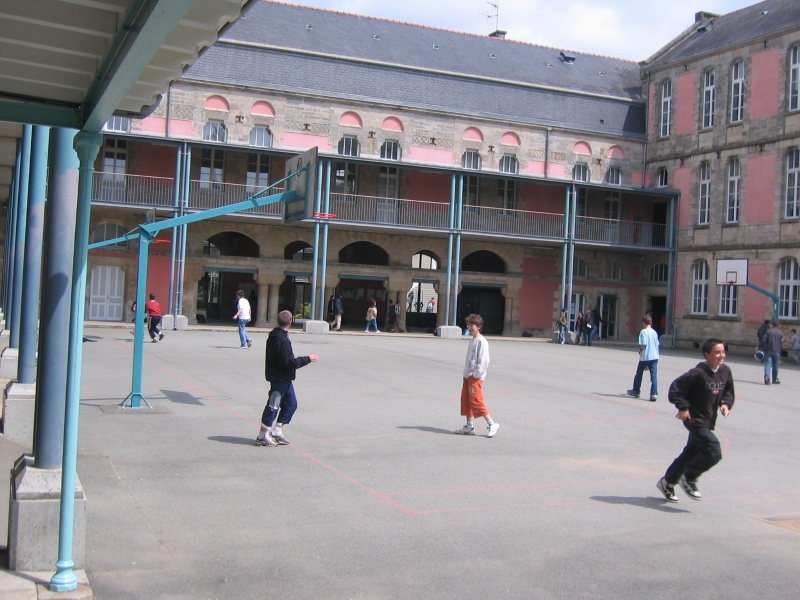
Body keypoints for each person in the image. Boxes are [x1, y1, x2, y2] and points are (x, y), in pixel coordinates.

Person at [656, 338, 734, 503]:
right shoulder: (698, 373)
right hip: (695, 419)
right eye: (717, 352)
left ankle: (667, 482)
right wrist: (683, 407)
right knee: (714, 451)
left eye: (723, 352)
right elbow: (676, 388)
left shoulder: (725, 371)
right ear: (707, 354)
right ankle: (689, 477)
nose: (721, 355)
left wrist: (725, 404)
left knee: (691, 453)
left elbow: (727, 391)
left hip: (708, 419)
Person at [256, 310, 319, 447]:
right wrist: (307, 359)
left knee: (291, 404)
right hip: (279, 378)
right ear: (291, 322)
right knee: (273, 405)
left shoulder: (276, 335)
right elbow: (289, 363)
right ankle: (262, 435)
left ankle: (277, 431)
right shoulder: (282, 340)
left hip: (284, 378)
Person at [454, 314, 499, 438]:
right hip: (468, 375)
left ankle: (492, 423)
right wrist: (467, 373)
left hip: (475, 377)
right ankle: (469, 426)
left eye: (472, 325)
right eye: (468, 325)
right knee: (466, 400)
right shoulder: (472, 339)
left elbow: (484, 361)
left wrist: (476, 375)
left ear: (479, 327)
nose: (469, 327)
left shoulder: (482, 341)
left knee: (476, 401)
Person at [627, 315, 660, 401]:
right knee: (654, 376)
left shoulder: (643, 332)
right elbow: (657, 344)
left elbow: (643, 344)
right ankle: (654, 393)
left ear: (643, 323)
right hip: (654, 356)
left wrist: (640, 350)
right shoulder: (654, 332)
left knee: (639, 373)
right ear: (651, 322)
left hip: (646, 356)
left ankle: (636, 390)